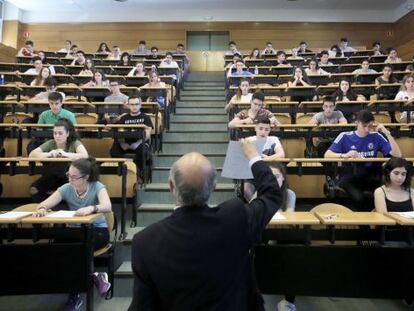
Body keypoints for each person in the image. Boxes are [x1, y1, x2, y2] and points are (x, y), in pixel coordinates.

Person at [128, 138, 282, 310]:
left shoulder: (145, 242)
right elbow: (272, 195)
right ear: (214, 187)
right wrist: (253, 156)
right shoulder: (236, 218)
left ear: (170, 186)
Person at [32, 157, 112, 309]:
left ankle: (74, 297)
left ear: (86, 177)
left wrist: (92, 208)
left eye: (74, 177)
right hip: (75, 230)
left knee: (76, 252)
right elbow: (44, 203)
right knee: (61, 249)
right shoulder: (66, 187)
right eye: (68, 175)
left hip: (98, 230)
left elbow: (107, 205)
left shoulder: (97, 186)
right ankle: (94, 276)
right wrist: (42, 209)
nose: (69, 179)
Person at [324, 110, 401, 211]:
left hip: (369, 176)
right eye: (364, 126)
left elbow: (397, 155)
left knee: (387, 194)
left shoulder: (376, 136)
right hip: (349, 177)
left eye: (369, 126)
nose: (367, 129)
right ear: (356, 123)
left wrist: (387, 133)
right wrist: (344, 155)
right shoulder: (345, 136)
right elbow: (327, 155)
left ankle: (381, 223)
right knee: (359, 199)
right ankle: (364, 225)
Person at [29, 119, 88, 202]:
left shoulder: (74, 142)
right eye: (55, 133)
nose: (57, 136)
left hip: (69, 177)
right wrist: (48, 154)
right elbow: (32, 155)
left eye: (60, 133)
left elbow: (85, 156)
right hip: (51, 176)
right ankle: (48, 208)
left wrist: (65, 154)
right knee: (34, 190)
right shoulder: (51, 143)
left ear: (67, 133)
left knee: (69, 190)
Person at [110, 95, 152, 183]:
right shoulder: (124, 118)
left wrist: (136, 144)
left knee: (143, 151)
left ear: (140, 105)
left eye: (137, 104)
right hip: (125, 143)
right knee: (114, 150)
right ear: (128, 106)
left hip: (140, 143)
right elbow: (120, 133)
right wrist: (122, 144)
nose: (134, 106)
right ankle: (121, 171)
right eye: (132, 104)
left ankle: (139, 174)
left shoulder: (145, 117)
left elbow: (147, 134)